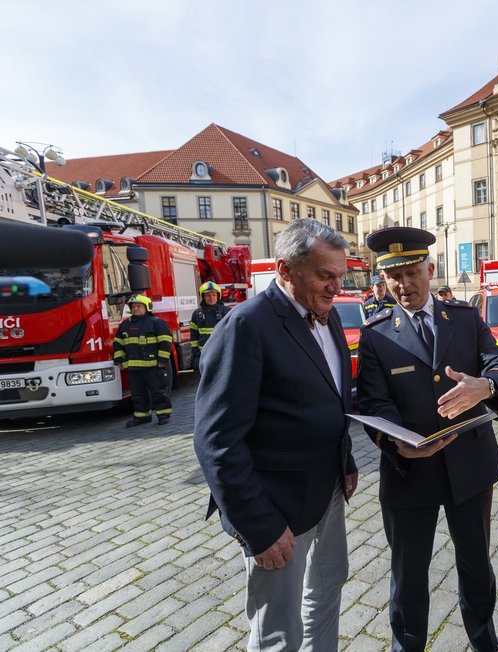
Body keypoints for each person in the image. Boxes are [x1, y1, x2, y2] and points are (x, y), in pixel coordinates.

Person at [194, 218, 358, 651]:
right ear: (285, 270)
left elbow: (331, 397)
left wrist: (347, 461)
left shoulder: (330, 316)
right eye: (325, 275)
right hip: (276, 507)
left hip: (328, 491)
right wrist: (259, 527)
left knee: (327, 588)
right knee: (278, 627)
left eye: (340, 276)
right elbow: (217, 441)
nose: (335, 287)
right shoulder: (247, 325)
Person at [357, 226, 498, 652]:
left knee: (475, 563)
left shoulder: (463, 318)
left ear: (430, 268)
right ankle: (407, 645)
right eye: (393, 277)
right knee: (408, 572)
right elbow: (373, 403)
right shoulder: (374, 334)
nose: (404, 285)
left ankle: (483, 638)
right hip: (408, 470)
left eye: (411, 272)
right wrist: (396, 444)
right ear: (383, 279)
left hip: (469, 465)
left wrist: (487, 386)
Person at [112, 294, 173, 426]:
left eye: (138, 306)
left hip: (153, 366)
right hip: (134, 368)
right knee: (137, 394)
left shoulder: (157, 323)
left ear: (147, 308)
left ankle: (163, 415)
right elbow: (118, 343)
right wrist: (119, 361)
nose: (135, 309)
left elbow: (166, 341)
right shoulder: (124, 325)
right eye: (133, 307)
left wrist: (162, 360)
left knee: (158, 392)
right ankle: (142, 416)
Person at [190, 280, 231, 370]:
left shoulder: (227, 312)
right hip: (205, 355)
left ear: (218, 296)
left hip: (223, 354)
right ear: (203, 297)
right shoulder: (197, 314)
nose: (211, 298)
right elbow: (193, 337)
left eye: (214, 295)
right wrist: (196, 355)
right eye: (208, 295)